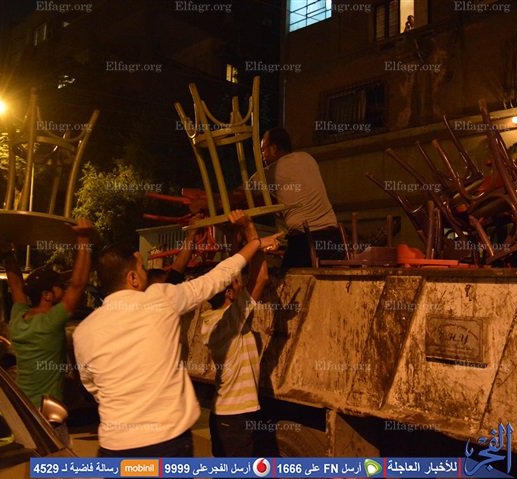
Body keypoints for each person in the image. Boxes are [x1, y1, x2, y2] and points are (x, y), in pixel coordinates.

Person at [73, 212, 281, 458]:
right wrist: (256, 242)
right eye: (142, 268)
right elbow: (218, 277)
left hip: (113, 449)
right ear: (132, 278)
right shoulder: (160, 299)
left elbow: (94, 388)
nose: (146, 273)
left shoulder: (83, 332)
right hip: (166, 444)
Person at [0, 218, 94, 446]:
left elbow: (16, 286)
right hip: (48, 417)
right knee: (58, 462)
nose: (64, 289)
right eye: (58, 286)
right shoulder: (51, 323)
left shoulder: (18, 318)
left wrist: (7, 252)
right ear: (47, 295)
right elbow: (79, 283)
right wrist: (83, 238)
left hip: (23, 409)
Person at [200, 210, 268, 457]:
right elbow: (261, 278)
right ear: (229, 293)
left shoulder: (213, 319)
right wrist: (249, 227)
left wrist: (233, 239)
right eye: (238, 284)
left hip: (227, 415)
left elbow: (232, 273)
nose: (242, 283)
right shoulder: (228, 322)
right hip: (234, 418)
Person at [249, 127, 342, 267]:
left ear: (274, 148)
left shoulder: (269, 172)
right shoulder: (307, 158)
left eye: (263, 150)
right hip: (333, 236)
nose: (262, 155)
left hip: (306, 239)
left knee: (286, 277)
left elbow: (240, 195)